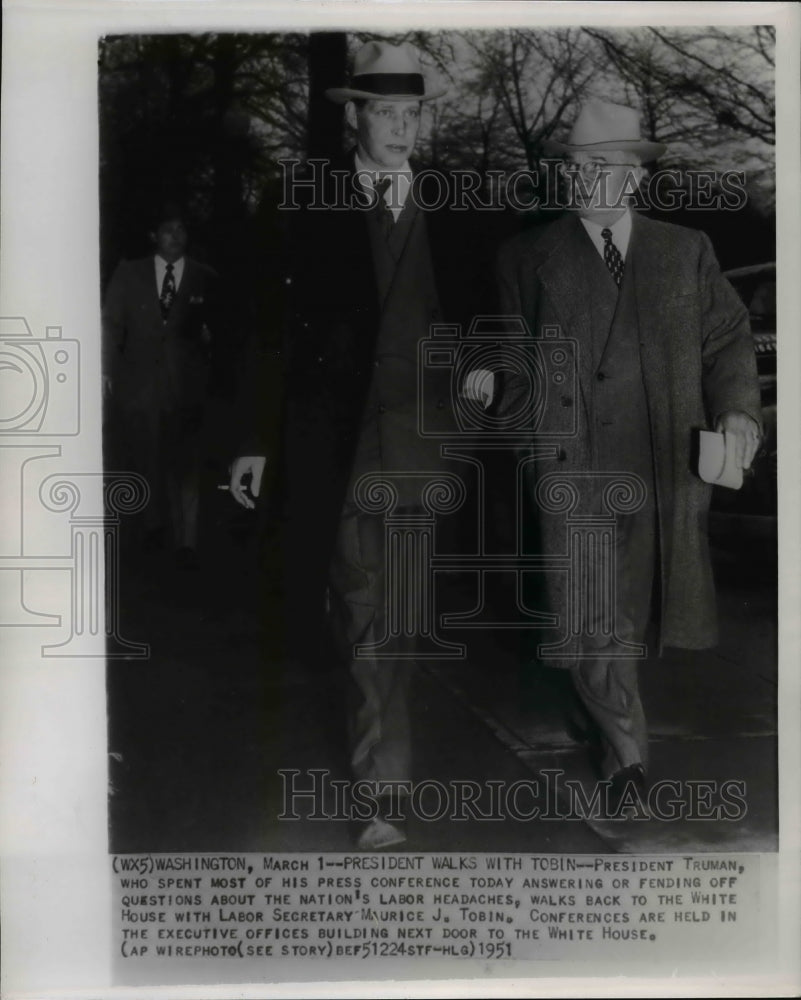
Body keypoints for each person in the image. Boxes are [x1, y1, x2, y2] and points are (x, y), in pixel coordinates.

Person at [230, 40, 492, 849]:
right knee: (365, 609)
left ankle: (381, 776)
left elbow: (486, 308)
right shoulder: (307, 205)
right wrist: (251, 440)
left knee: (394, 619)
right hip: (336, 446)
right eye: (385, 112)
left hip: (422, 447)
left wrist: (483, 363)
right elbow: (267, 333)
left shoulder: (455, 206)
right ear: (356, 117)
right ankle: (383, 794)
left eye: (412, 113)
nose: (401, 128)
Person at [495, 101, 761, 812]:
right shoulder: (526, 257)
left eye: (603, 167)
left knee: (629, 618)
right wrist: (492, 382)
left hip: (659, 465)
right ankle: (627, 756)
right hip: (570, 466)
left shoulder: (685, 251)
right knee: (590, 615)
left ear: (635, 177)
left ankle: (603, 719)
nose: (585, 180)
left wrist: (737, 408)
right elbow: (506, 351)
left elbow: (727, 339)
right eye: (576, 166)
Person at [103, 205, 217, 570]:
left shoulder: (206, 277)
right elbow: (110, 325)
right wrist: (105, 371)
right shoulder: (128, 274)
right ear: (154, 235)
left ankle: (188, 542)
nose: (176, 236)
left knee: (187, 463)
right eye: (168, 229)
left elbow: (227, 332)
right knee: (146, 458)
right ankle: (151, 529)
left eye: (182, 230)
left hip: (188, 388)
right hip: (139, 388)